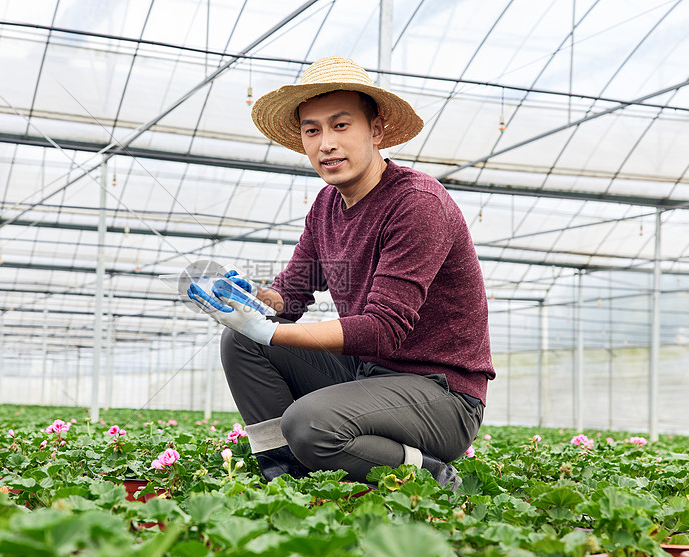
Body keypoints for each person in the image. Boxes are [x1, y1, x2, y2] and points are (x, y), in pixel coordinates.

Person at [187, 57, 495, 489]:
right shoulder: (326, 207)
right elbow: (289, 297)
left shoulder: (417, 203)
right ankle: (287, 474)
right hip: (368, 377)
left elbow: (383, 329)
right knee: (240, 340)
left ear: (377, 130)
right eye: (312, 130)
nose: (326, 143)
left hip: (442, 394)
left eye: (341, 125)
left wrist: (271, 332)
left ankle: (434, 473)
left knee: (309, 423)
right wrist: (249, 299)